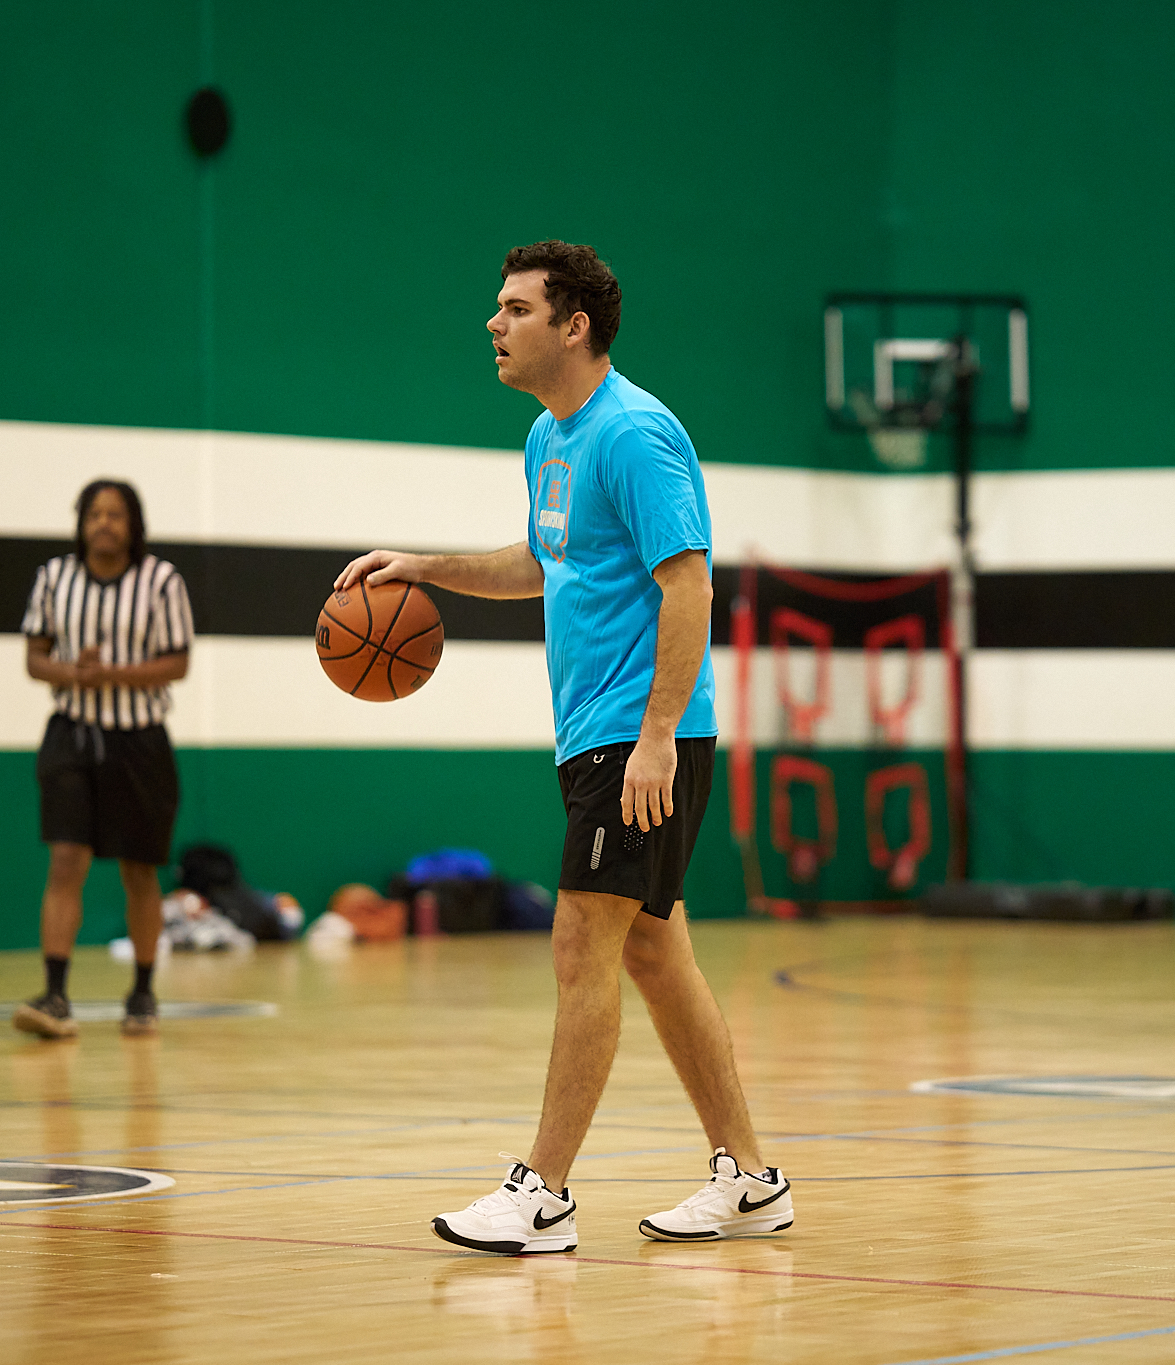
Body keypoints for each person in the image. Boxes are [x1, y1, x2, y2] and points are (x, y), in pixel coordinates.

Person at [336, 242, 792, 1254]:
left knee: (582, 944)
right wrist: (424, 566)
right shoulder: (549, 437)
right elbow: (544, 563)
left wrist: (657, 736)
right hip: (595, 737)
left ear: (572, 325)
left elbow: (688, 584)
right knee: (653, 952)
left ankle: (541, 1194)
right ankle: (752, 1180)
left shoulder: (635, 434)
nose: (493, 325)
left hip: (641, 738)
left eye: (515, 309)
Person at [13, 480, 193, 1040]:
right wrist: (73, 674)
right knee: (66, 859)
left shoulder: (161, 580)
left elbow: (177, 663)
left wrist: (111, 673)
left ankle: (142, 990)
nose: (104, 523)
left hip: (139, 740)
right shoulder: (54, 577)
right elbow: (35, 658)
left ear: (133, 524)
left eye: (115, 514)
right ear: (81, 522)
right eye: (94, 514)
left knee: (139, 869)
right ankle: (55, 993)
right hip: (72, 734)